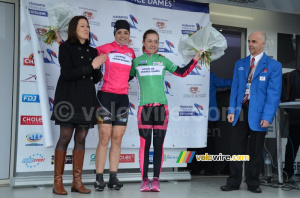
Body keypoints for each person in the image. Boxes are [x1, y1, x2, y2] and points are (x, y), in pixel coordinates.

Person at [129, 29, 203, 192]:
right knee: (144, 146)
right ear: (143, 42)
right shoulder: (136, 62)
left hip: (162, 108)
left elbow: (182, 72)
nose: (153, 44)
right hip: (144, 109)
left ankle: (156, 180)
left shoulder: (162, 61)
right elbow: (124, 77)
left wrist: (195, 59)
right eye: (149, 41)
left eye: (156, 41)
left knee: (158, 145)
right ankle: (144, 180)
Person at [51, 16, 108, 195]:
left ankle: (77, 182)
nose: (86, 28)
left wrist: (98, 68)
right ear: (74, 29)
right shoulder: (65, 47)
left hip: (86, 98)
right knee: (65, 137)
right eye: (82, 25)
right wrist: (92, 65)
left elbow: (94, 77)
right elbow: (68, 73)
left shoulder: (93, 51)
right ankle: (57, 183)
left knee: (81, 138)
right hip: (68, 97)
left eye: (88, 25)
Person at [220, 31, 282, 193]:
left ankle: (253, 183)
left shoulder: (274, 66)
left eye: (254, 41)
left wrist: (268, 116)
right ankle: (233, 182)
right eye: (249, 41)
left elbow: (273, 95)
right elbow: (235, 89)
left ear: (263, 44)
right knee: (236, 149)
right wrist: (232, 110)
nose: (250, 44)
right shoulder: (240, 63)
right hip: (240, 110)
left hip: (260, 114)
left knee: (255, 150)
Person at [94, 20, 136, 191]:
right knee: (105, 137)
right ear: (114, 33)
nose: (123, 36)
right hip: (105, 96)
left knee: (117, 139)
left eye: (126, 32)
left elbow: (131, 74)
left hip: (122, 99)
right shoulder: (104, 48)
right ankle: (98, 178)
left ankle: (113, 177)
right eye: (119, 32)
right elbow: (91, 62)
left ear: (129, 35)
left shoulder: (131, 53)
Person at [283, 67, 300, 180]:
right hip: (296, 118)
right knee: (292, 146)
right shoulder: (291, 75)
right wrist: (290, 110)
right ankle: (287, 173)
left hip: (295, 117)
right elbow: (285, 96)